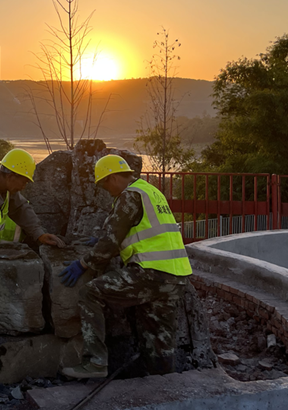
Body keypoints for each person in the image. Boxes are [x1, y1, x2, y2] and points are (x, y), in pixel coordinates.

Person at [58, 154, 192, 379]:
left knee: (90, 293)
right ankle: (164, 382)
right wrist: (102, 237)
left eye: (104, 185)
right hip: (176, 277)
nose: (106, 191)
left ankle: (96, 362)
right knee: (159, 336)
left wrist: (83, 263)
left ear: (112, 178)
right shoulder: (151, 192)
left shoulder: (128, 196)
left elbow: (111, 242)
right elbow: (137, 230)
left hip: (150, 273)